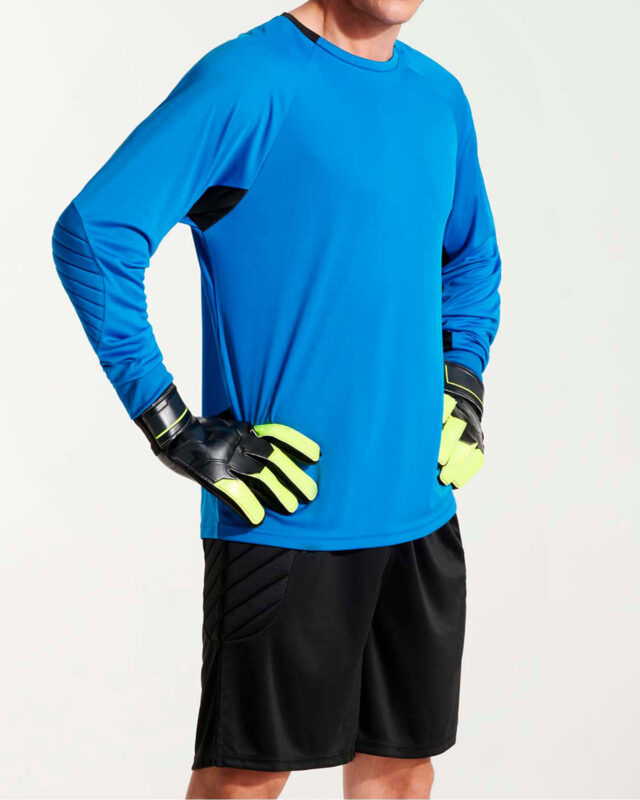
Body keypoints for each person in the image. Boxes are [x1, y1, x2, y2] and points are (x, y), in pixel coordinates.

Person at [52, 0, 500, 796]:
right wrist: (171, 425)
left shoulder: (440, 97)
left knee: (402, 768)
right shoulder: (251, 80)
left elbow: (469, 259)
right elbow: (94, 234)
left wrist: (461, 382)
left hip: (420, 508)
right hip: (286, 510)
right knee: (245, 782)